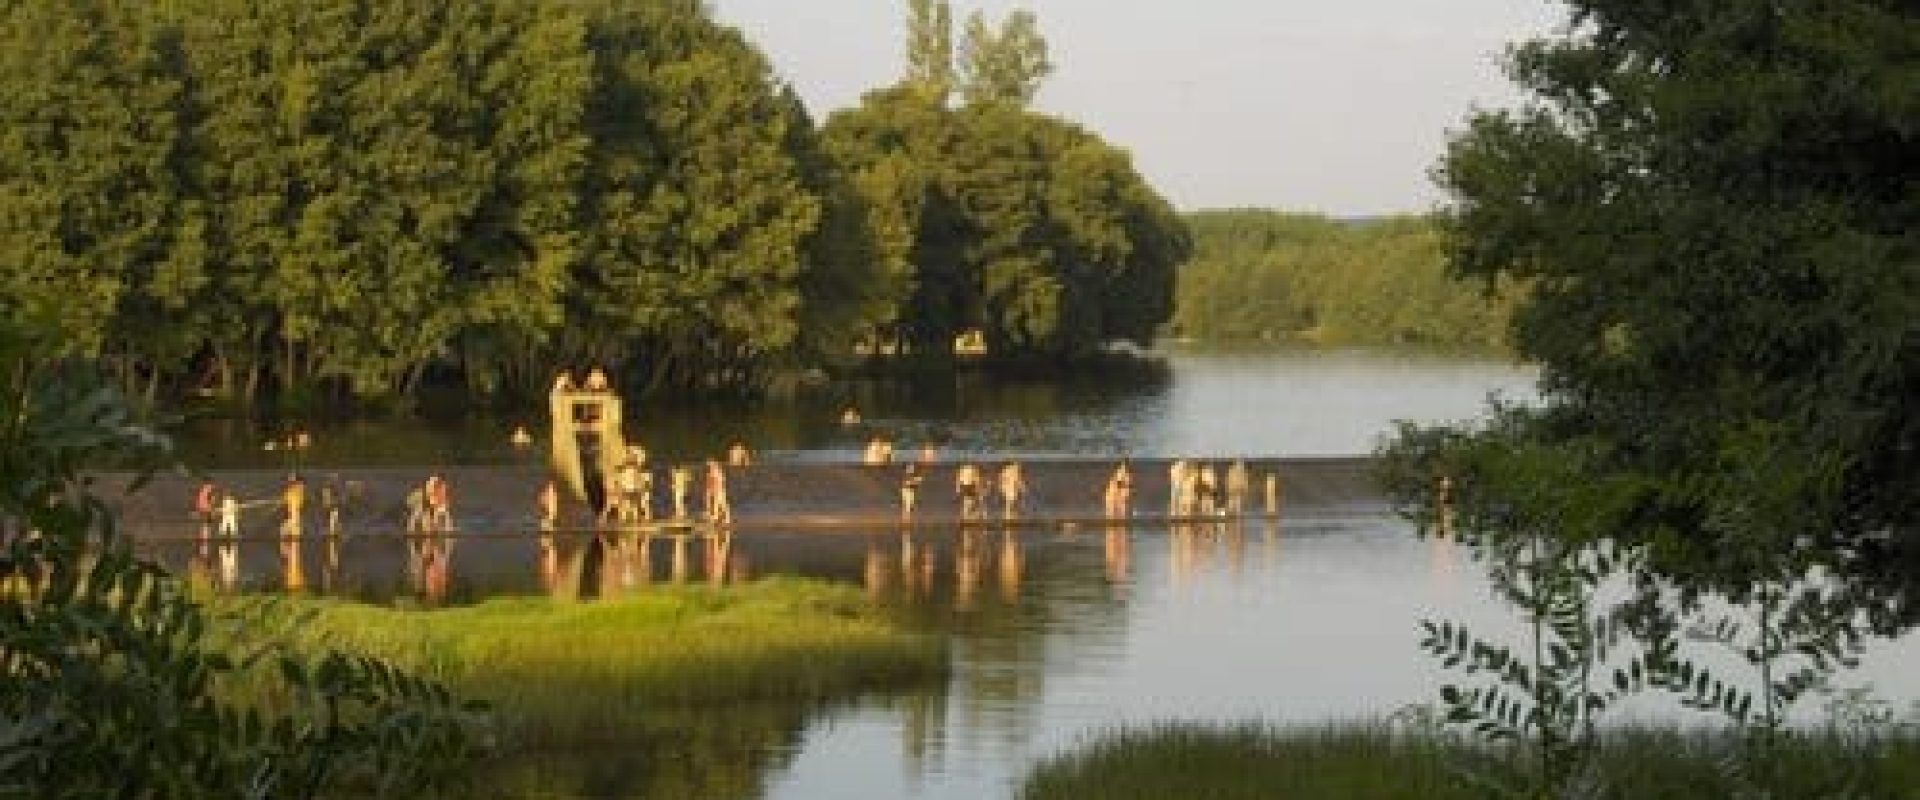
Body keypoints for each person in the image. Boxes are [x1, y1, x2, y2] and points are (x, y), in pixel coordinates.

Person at [703, 460, 732, 524]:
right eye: (708, 466)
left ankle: (721, 519)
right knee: (712, 505)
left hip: (718, 491)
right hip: (713, 491)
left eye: (710, 466)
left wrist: (715, 489)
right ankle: (714, 518)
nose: (708, 467)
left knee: (720, 505)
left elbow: (719, 483)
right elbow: (708, 483)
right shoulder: (710, 473)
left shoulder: (717, 472)